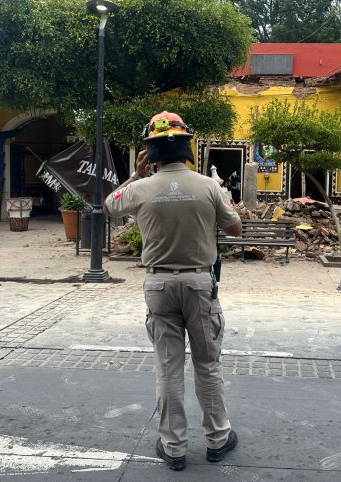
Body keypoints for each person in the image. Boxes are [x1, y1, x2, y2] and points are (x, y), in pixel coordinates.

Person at [104, 111, 242, 471]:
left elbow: (109, 205)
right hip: (199, 284)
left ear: (150, 153)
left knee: (168, 369)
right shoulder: (209, 186)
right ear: (187, 148)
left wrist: (136, 173)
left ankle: (174, 446)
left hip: (159, 284)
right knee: (208, 365)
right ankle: (217, 439)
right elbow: (236, 228)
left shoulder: (140, 188)